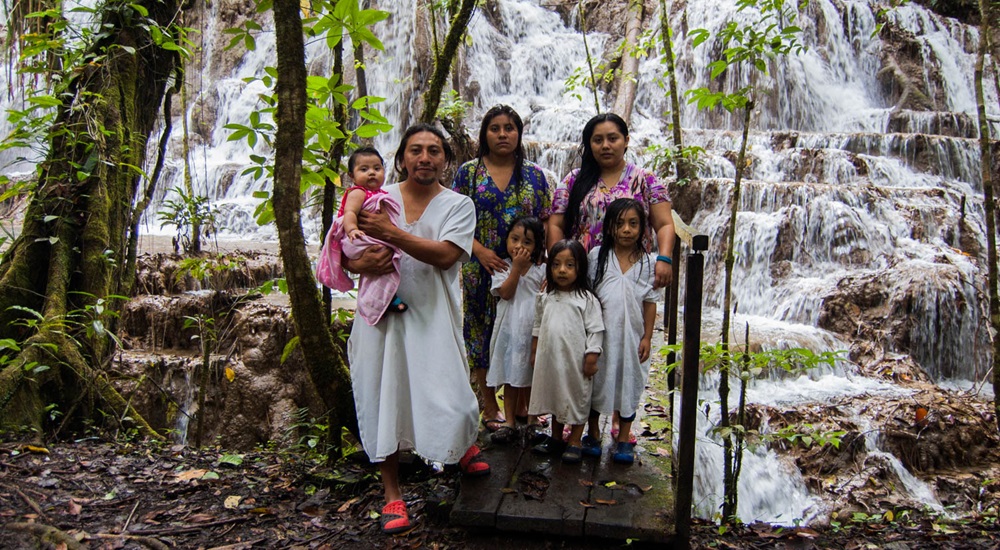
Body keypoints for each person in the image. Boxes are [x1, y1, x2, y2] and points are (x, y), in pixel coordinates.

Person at [345, 124, 490, 535]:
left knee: (452, 393)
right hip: (381, 317)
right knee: (383, 397)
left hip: (433, 312)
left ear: (445, 158)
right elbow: (341, 250)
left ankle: (459, 444)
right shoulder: (376, 198)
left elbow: (446, 256)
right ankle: (392, 493)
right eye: (415, 150)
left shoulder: (459, 205)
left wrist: (392, 233)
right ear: (402, 158)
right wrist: (358, 265)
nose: (424, 158)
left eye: (433, 151)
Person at [452, 105, 552, 432]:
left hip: (526, 271)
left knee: (521, 332)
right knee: (481, 331)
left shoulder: (535, 176)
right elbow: (452, 221)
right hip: (480, 266)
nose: (502, 134)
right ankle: (489, 402)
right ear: (484, 134)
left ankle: (522, 402)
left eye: (509, 128)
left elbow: (548, 220)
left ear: (519, 134)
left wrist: (541, 262)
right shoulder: (468, 173)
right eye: (494, 128)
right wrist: (478, 251)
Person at [547, 113, 675, 290]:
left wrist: (664, 258)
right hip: (579, 275)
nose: (605, 146)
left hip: (630, 273)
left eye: (612, 139)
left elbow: (664, 224)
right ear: (590, 144)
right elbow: (556, 225)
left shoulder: (646, 180)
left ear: (626, 140)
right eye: (598, 140)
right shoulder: (573, 181)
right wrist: (555, 265)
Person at [584, 199, 659, 464]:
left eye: (633, 223)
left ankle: (624, 437)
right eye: (620, 223)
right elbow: (588, 296)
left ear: (642, 228)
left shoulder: (649, 263)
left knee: (629, 381)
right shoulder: (597, 256)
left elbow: (650, 302)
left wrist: (647, 336)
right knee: (598, 380)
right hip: (601, 334)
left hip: (632, 336)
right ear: (609, 227)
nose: (626, 229)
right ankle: (592, 432)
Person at [528, 239, 604, 464]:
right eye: (556, 264)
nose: (562, 270)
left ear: (580, 268)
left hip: (575, 363)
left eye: (569, 265)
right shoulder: (547, 296)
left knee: (576, 397)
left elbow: (596, 330)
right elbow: (538, 324)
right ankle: (556, 437)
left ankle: (575, 440)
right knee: (555, 396)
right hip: (550, 361)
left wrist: (592, 356)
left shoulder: (586, 299)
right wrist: (534, 351)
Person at [315, 147, 407, 325]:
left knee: (383, 265)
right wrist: (352, 230)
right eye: (364, 170)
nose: (371, 173)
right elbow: (349, 213)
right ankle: (379, 302)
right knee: (383, 258)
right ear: (351, 175)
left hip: (364, 237)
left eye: (377, 168)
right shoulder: (358, 192)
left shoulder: (381, 194)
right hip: (357, 239)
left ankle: (382, 301)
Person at [486, 216, 546, 445]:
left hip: (532, 331)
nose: (519, 246)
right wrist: (517, 269)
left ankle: (532, 420)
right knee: (511, 377)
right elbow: (506, 293)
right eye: (515, 239)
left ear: (537, 247)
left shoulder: (542, 270)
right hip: (510, 331)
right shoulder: (503, 266)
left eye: (527, 242)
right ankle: (510, 421)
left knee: (532, 377)